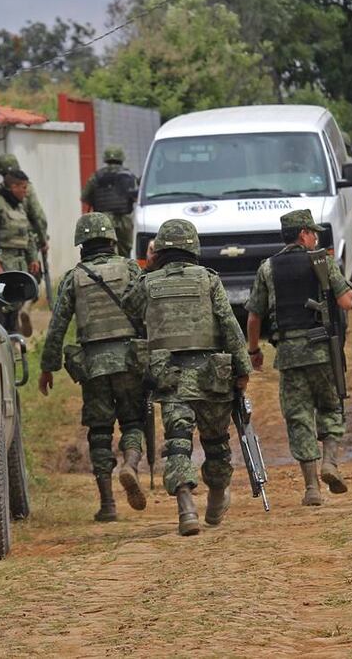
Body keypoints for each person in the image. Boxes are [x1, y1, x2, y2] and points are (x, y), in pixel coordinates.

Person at [121, 219, 251, 536]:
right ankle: (217, 496)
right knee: (217, 443)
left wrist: (149, 268)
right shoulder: (209, 280)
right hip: (212, 377)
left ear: (160, 250)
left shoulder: (148, 283)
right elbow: (229, 324)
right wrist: (243, 367)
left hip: (170, 377)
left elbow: (129, 306)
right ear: (193, 246)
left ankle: (186, 507)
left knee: (178, 444)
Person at [39, 212, 147, 521]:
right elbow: (147, 311)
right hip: (128, 360)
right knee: (132, 421)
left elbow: (57, 326)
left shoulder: (75, 278)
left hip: (94, 364)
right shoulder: (129, 269)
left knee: (99, 432)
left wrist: (48, 368)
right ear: (113, 240)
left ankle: (108, 505)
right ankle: (130, 463)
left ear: (81, 245)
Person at [245, 210, 352, 506]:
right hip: (322, 352)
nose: (316, 237)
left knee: (299, 417)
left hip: (289, 356)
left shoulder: (267, 268)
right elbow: (347, 301)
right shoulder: (321, 261)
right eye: (313, 233)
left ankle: (311, 489)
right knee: (331, 408)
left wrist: (254, 351)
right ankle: (330, 463)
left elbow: (254, 316)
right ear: (303, 234)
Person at [0, 168, 38, 334]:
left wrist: (33, 258)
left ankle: (15, 340)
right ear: (14, 186)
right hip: (4, 262)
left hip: (20, 262)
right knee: (4, 305)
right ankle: (4, 339)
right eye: (23, 188)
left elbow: (28, 234)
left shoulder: (19, 206)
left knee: (17, 303)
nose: (26, 192)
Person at [82, 145, 140, 257]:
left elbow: (85, 197)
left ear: (106, 159)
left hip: (104, 219)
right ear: (121, 158)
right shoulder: (129, 175)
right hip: (124, 220)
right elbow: (136, 196)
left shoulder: (97, 176)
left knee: (104, 251)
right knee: (125, 252)